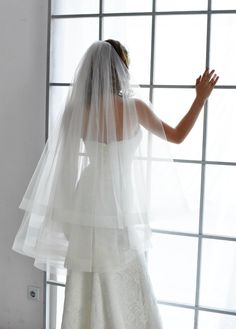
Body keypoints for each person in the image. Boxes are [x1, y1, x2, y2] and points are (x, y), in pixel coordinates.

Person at [12, 39, 218, 329]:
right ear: (120, 70)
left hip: (86, 198)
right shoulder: (134, 108)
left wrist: (68, 214)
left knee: (88, 272)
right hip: (119, 199)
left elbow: (65, 168)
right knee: (124, 268)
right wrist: (200, 99)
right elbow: (178, 135)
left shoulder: (75, 111)